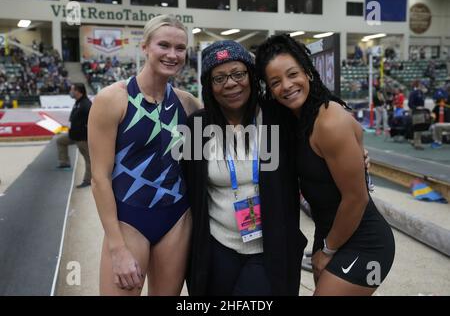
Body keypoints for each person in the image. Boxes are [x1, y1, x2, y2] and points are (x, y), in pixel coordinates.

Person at [255, 34, 395, 296]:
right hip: (330, 235)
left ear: (307, 72)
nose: (286, 86)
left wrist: (327, 250)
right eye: (275, 82)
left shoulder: (329, 120)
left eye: (292, 74)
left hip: (365, 243)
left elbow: (356, 198)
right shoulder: (292, 120)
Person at [183, 40, 308, 295]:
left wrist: (356, 152)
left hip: (270, 248)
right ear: (209, 85)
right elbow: (186, 184)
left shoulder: (278, 118)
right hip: (218, 248)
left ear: (251, 76)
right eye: (219, 78)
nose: (230, 83)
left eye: (238, 74)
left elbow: (317, 148)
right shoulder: (197, 128)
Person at [88, 15, 201, 296]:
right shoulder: (113, 100)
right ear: (145, 47)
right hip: (130, 219)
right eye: (164, 45)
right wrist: (116, 247)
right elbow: (99, 179)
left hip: (176, 218)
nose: (172, 54)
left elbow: (206, 160)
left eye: (180, 48)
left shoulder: (188, 104)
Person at [56, 83, 92, 188]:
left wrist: (87, 133)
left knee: (88, 159)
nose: (70, 91)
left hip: (82, 138)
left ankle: (88, 179)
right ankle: (64, 163)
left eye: (72, 89)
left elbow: (92, 119)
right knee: (60, 141)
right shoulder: (78, 102)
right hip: (73, 135)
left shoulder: (86, 104)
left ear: (78, 91)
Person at [408, 80, 426, 150]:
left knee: (420, 128)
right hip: (416, 112)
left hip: (421, 112)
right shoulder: (414, 93)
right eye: (421, 84)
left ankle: (415, 141)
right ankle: (417, 144)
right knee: (418, 128)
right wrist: (416, 107)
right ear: (418, 85)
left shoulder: (421, 93)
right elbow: (410, 104)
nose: (423, 85)